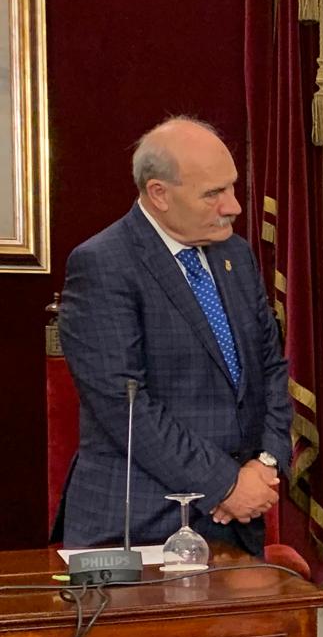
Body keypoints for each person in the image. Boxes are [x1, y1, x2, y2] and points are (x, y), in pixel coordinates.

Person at [57, 116, 287, 554]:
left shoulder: (235, 255)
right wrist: (224, 484)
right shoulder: (104, 264)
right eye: (213, 194)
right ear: (159, 194)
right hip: (141, 523)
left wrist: (266, 464)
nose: (234, 206)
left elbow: (270, 368)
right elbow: (125, 406)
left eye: (232, 187)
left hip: (236, 523)